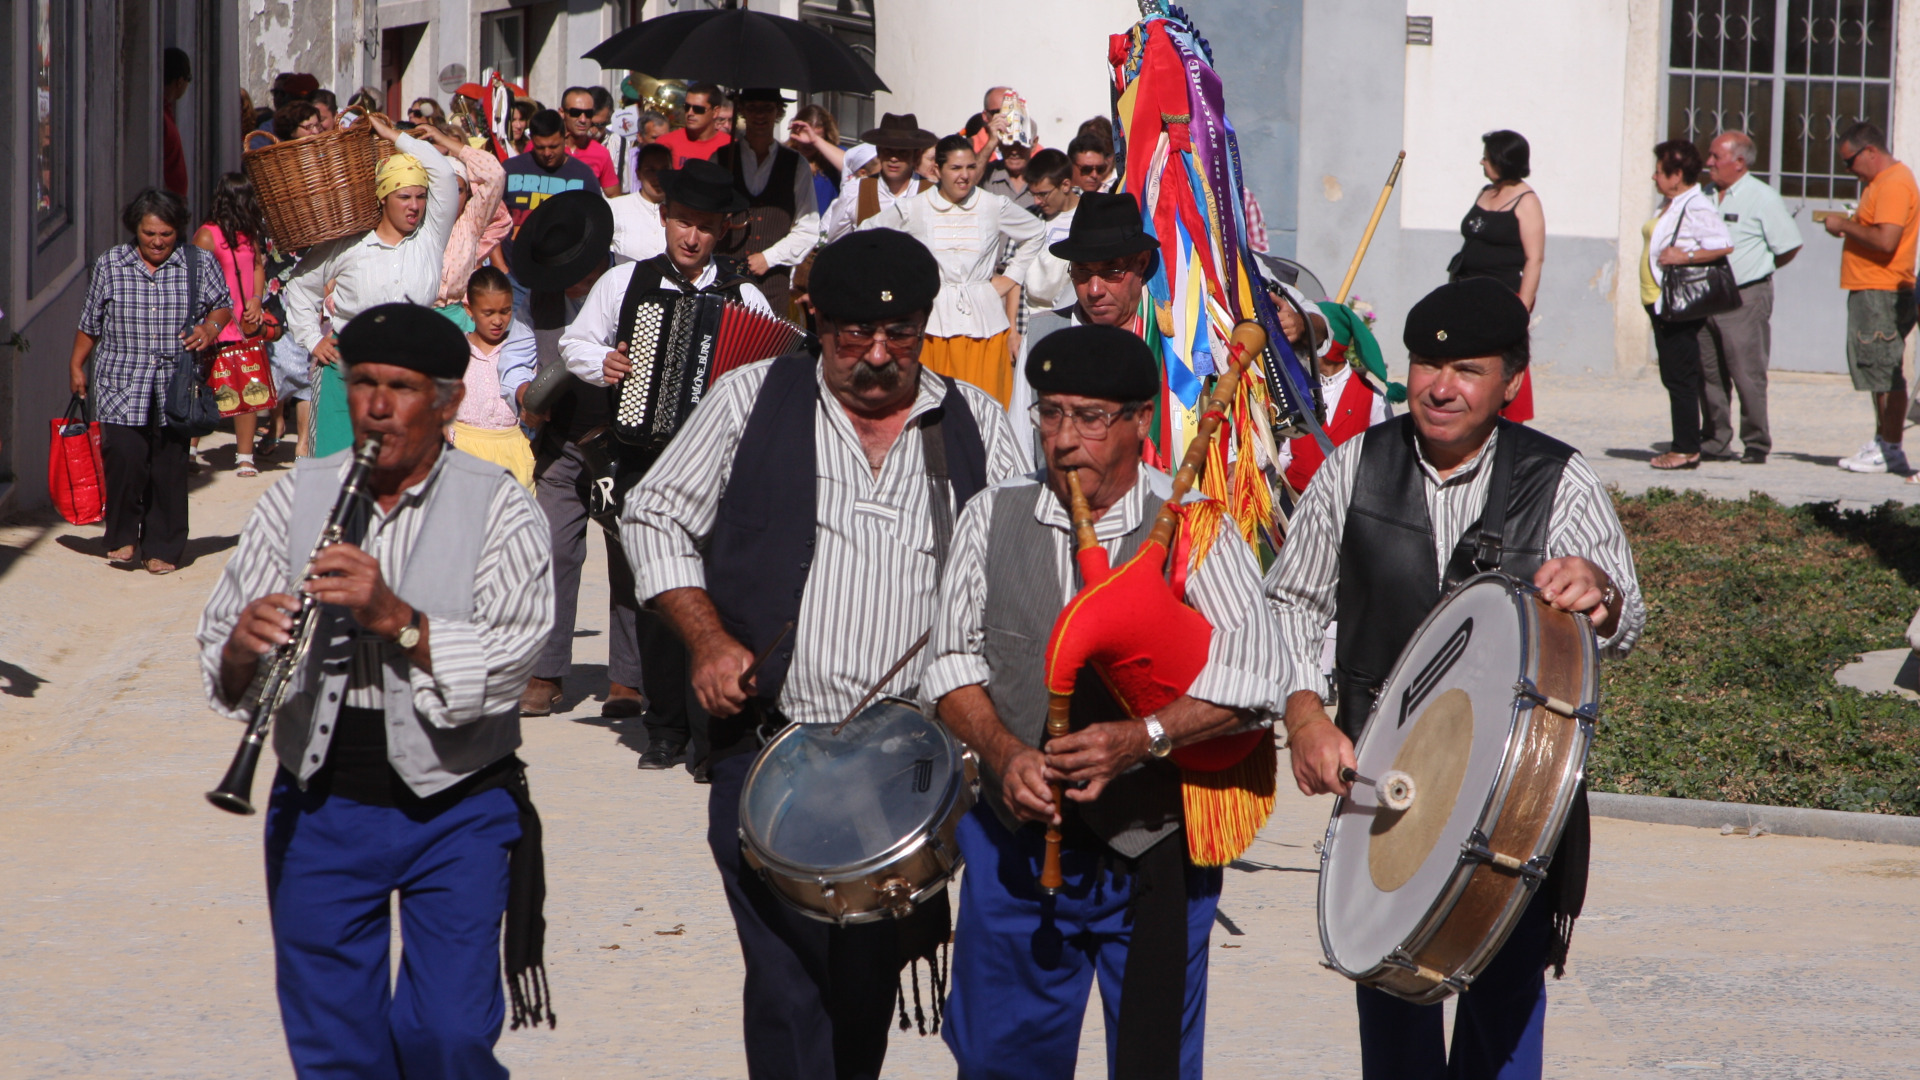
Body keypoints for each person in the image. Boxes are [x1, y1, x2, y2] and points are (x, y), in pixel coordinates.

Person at [624, 228, 1023, 1078]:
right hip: (767, 746)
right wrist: (707, 639)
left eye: (902, 336)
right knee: (787, 978)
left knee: (863, 986)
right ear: (814, 320)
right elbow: (652, 515)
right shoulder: (748, 401)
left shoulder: (977, 425)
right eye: (853, 337)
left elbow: (1022, 573)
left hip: (910, 771)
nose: (877, 358)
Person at [1267, 277, 1645, 1080]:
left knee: (1504, 1009)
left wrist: (1599, 597)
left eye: (1469, 370)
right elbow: (1289, 605)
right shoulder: (1352, 470)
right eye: (1427, 367)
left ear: (1511, 381)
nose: (1441, 387)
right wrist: (1304, 714)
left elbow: (1625, 618)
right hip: (1384, 787)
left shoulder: (1559, 480)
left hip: (1517, 796)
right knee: (1393, 996)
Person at [195, 303, 556, 1078]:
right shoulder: (299, 498)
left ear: (449, 401)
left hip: (457, 803)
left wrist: (398, 618)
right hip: (321, 803)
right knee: (335, 1049)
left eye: (402, 387)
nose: (379, 406)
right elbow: (221, 659)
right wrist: (241, 650)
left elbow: (512, 659)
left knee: (448, 1038)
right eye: (362, 383)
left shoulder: (500, 506)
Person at [926, 326, 1285, 1079]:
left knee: (1154, 1066)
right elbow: (951, 663)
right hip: (1015, 850)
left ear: (1141, 421)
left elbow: (1257, 680)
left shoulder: (1196, 527)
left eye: (1089, 417)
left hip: (1152, 852)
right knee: (999, 1064)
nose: (1063, 440)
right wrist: (1002, 751)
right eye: (1049, 413)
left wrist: (1142, 736)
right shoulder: (992, 516)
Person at [558, 162, 770, 747]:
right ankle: (665, 726)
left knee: (715, 592)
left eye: (704, 227)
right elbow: (578, 339)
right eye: (683, 223)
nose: (692, 237)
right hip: (644, 457)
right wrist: (601, 365)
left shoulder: (742, 293)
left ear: (721, 231)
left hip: (718, 468)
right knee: (654, 590)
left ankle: (712, 732)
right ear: (664, 219)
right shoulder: (625, 282)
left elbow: (775, 364)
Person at [68, 188, 232, 574]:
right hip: (121, 381)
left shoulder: (198, 263)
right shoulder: (112, 264)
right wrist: (76, 365)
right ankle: (123, 536)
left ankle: (163, 546)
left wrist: (210, 328)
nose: (158, 242)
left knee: (169, 466)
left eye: (166, 234)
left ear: (177, 231)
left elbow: (222, 304)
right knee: (124, 458)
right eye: (149, 234)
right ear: (135, 231)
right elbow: (90, 322)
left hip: (176, 384)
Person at [284, 113, 459, 459]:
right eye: (404, 196)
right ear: (383, 198)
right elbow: (300, 286)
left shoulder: (430, 238)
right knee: (336, 472)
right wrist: (311, 338)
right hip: (345, 375)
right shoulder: (349, 245)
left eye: (420, 197)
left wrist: (396, 136)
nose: (415, 206)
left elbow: (445, 173)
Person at [863, 134, 1045, 407]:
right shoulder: (916, 208)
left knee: (987, 409)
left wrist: (1011, 277)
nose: (965, 176)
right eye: (956, 168)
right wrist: (900, 286)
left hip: (986, 325)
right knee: (936, 409)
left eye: (971, 167)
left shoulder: (991, 205)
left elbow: (1036, 232)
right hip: (934, 325)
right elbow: (866, 234)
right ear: (937, 170)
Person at [1699, 130, 1802, 465]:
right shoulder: (1705, 195)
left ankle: (1756, 442)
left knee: (1747, 373)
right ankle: (1716, 439)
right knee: (1710, 373)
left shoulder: (1762, 197)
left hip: (1744, 297)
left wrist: (1757, 271)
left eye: (1716, 157)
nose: (1708, 163)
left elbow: (1788, 247)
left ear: (1739, 163)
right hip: (1705, 297)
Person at [1823, 121, 1919, 476]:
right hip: (1871, 287)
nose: (1848, 170)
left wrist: (1844, 226)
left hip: (1882, 288)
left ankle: (1890, 447)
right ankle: (1883, 442)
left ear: (1871, 152)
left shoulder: (1893, 183)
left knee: (1884, 369)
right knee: (1876, 367)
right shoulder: (1882, 183)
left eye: (1849, 162)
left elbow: (1886, 241)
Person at [1642, 139, 1733, 471]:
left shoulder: (1695, 205)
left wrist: (1685, 255)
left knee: (1680, 375)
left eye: (1659, 172)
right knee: (1673, 374)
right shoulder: (1671, 202)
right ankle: (1685, 442)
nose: (1654, 178)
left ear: (1676, 174)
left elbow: (1723, 244)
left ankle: (1685, 448)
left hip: (1678, 304)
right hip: (1659, 301)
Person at [1447, 130, 1545, 422]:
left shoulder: (1526, 201)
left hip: (1502, 297)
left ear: (1502, 161)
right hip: (1466, 293)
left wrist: (1521, 307)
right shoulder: (1485, 192)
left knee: (1499, 362)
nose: (1481, 162)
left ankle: (1504, 423)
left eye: (1487, 157)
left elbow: (1534, 259)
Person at [714, 88, 823, 315]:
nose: (760, 116)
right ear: (742, 110)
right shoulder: (721, 158)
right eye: (752, 108)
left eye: (767, 109)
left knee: (768, 349)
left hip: (772, 286)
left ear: (778, 112)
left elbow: (808, 228)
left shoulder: (796, 164)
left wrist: (769, 258)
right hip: (723, 279)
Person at [193, 174, 274, 478]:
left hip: (246, 322)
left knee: (250, 389)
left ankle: (245, 456)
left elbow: (256, 267)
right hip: (217, 323)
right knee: (205, 388)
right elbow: (197, 280)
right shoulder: (207, 235)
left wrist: (256, 298)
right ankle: (191, 449)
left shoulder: (249, 234)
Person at [454, 267, 537, 490]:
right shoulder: (456, 351)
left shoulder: (521, 354)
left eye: (505, 311)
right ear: (469, 309)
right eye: (488, 313)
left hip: (513, 452)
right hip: (463, 453)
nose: (498, 321)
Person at [429, 125, 512, 329]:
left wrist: (443, 138)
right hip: (421, 318)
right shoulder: (418, 225)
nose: (450, 196)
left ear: (468, 194)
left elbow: (495, 175)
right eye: (443, 189)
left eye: (458, 190)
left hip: (459, 319)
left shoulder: (469, 224)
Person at [822, 114, 937, 242]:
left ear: (916, 155)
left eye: (902, 152)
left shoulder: (933, 193)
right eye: (888, 150)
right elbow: (837, 246)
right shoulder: (854, 191)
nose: (894, 158)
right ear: (879, 151)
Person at [610, 142, 672, 265]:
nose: (657, 177)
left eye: (664, 170)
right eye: (651, 171)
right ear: (638, 173)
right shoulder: (615, 208)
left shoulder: (681, 211)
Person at [561, 86, 622, 197]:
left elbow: (615, 198)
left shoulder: (601, 153)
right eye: (576, 112)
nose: (583, 119)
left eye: (588, 114)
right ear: (562, 112)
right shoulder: (542, 146)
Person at [786, 103, 846, 214]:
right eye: (805, 135)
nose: (808, 144)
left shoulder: (832, 157)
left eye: (817, 137)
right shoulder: (785, 155)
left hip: (824, 228)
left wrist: (816, 141)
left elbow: (850, 165)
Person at [656, 83, 732, 166]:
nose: (690, 113)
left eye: (698, 109)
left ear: (715, 111)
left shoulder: (731, 147)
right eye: (687, 107)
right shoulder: (665, 143)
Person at [163, 48, 192, 198]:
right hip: (165, 204)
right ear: (180, 81)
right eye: (189, 79)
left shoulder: (165, 113)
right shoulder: (161, 118)